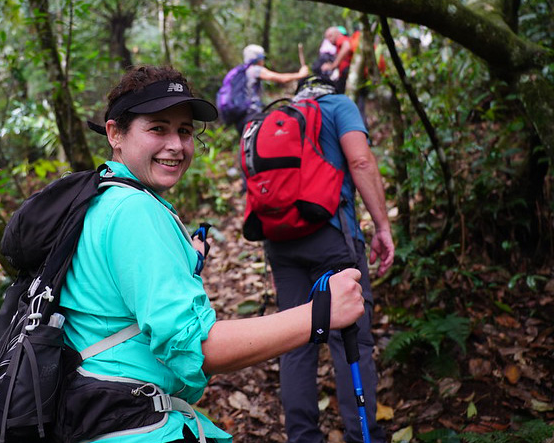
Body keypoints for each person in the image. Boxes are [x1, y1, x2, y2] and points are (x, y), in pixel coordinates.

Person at [63, 65, 366, 443]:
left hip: (101, 417)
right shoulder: (133, 211)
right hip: (136, 428)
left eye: (185, 131)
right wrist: (321, 313)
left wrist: (184, 260)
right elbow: (197, 349)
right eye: (158, 128)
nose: (176, 144)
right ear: (115, 133)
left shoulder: (103, 197)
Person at [266, 75, 395, 443]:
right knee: (350, 338)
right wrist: (382, 226)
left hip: (281, 241)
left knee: (294, 338)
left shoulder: (282, 117)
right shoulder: (339, 105)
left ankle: (303, 437)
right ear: (330, 89)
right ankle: (362, 435)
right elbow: (361, 161)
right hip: (332, 236)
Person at [236, 44, 309, 134]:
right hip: (252, 114)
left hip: (242, 116)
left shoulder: (244, 71)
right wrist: (300, 75)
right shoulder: (255, 70)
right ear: (258, 59)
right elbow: (281, 78)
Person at [321, 27, 354, 94]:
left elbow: (346, 46)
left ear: (337, 33)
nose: (329, 40)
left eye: (330, 36)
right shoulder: (339, 44)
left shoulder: (341, 39)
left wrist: (333, 65)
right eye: (327, 38)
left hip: (347, 72)